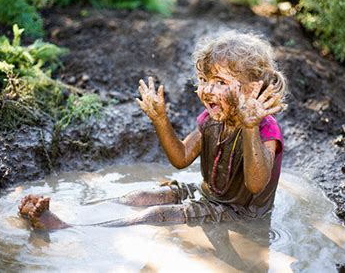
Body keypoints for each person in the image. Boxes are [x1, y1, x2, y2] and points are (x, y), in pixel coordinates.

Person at [18, 31, 286, 229]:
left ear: (251, 89)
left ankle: (65, 228)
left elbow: (255, 184)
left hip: (239, 213)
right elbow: (181, 159)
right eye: (203, 80)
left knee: (155, 214)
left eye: (219, 81)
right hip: (208, 194)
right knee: (141, 196)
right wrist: (160, 119)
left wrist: (250, 128)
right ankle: (73, 211)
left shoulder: (265, 130)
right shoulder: (211, 119)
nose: (207, 90)